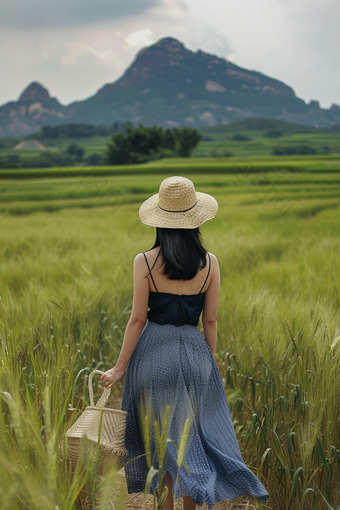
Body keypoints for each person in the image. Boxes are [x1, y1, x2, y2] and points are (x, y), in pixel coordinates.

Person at [100, 176, 269, 510]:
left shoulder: (144, 262)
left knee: (158, 439)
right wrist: (209, 361)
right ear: (196, 220)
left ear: (159, 221)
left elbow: (137, 318)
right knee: (189, 439)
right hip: (195, 354)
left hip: (152, 353)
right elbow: (210, 320)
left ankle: (165, 503)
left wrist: (120, 368)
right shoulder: (210, 264)